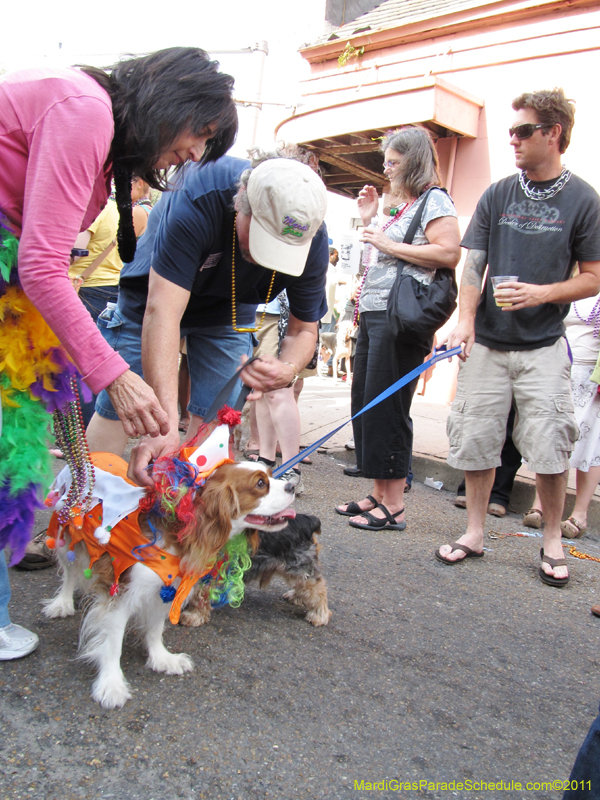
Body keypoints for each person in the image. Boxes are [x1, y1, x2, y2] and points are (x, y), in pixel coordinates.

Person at [0, 46, 238, 658]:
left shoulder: (93, 125)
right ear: (169, 102)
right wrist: (118, 377)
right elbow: (42, 265)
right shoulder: (85, 112)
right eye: (198, 134)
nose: (192, 154)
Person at [84, 151, 330, 487]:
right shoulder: (200, 196)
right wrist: (168, 422)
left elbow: (303, 330)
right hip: (155, 295)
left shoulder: (309, 233)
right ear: (241, 202)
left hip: (228, 309)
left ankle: (182, 524)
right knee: (126, 406)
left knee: (217, 424)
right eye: (262, 239)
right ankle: (80, 512)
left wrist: (286, 370)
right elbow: (164, 313)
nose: (264, 258)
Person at [435, 88, 600, 588]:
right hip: (487, 342)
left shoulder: (584, 199)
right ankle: (475, 532)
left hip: (546, 345)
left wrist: (544, 292)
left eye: (523, 131)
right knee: (478, 438)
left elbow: (593, 275)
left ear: (553, 133)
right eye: (510, 131)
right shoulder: (499, 192)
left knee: (550, 444)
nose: (512, 140)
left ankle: (552, 540)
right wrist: (464, 320)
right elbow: (473, 265)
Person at [335, 126, 461, 530]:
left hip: (399, 319)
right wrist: (374, 221)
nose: (387, 169)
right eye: (386, 161)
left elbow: (448, 251)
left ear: (414, 160)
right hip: (376, 314)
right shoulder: (408, 205)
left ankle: (394, 505)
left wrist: (386, 243)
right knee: (368, 402)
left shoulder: (435, 199)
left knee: (389, 407)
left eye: (394, 161)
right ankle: (377, 492)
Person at [526, 290, 600, 538]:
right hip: (559, 369)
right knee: (551, 437)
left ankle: (580, 514)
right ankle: (540, 505)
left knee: (588, 444)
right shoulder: (572, 282)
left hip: (592, 378)